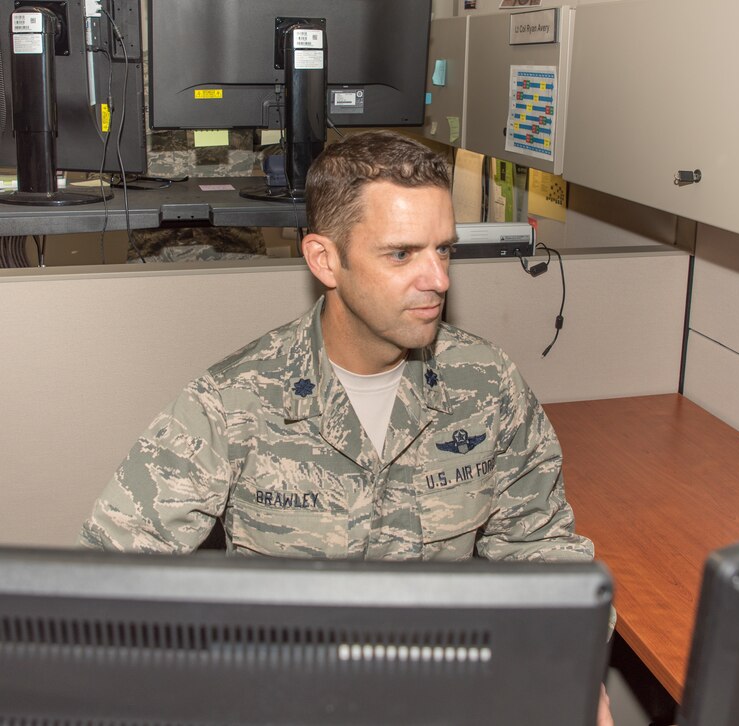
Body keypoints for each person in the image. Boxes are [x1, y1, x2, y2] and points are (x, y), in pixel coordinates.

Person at [80, 130, 613, 724]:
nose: (437, 279)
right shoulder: (236, 401)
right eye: (402, 253)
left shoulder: (486, 385)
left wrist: (571, 660)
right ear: (324, 259)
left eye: (445, 250)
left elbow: (539, 544)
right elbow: (108, 580)